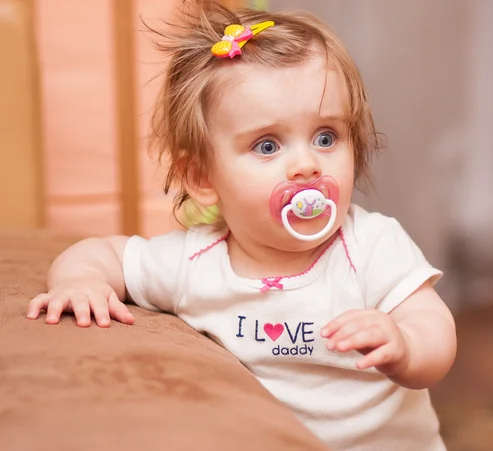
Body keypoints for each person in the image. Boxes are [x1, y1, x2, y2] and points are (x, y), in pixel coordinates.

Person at [27, 2, 456, 449]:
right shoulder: (194, 262)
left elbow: (435, 333)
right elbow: (99, 255)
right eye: (267, 145)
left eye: (326, 137)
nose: (307, 164)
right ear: (203, 178)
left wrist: (404, 346)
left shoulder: (370, 245)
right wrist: (80, 282)